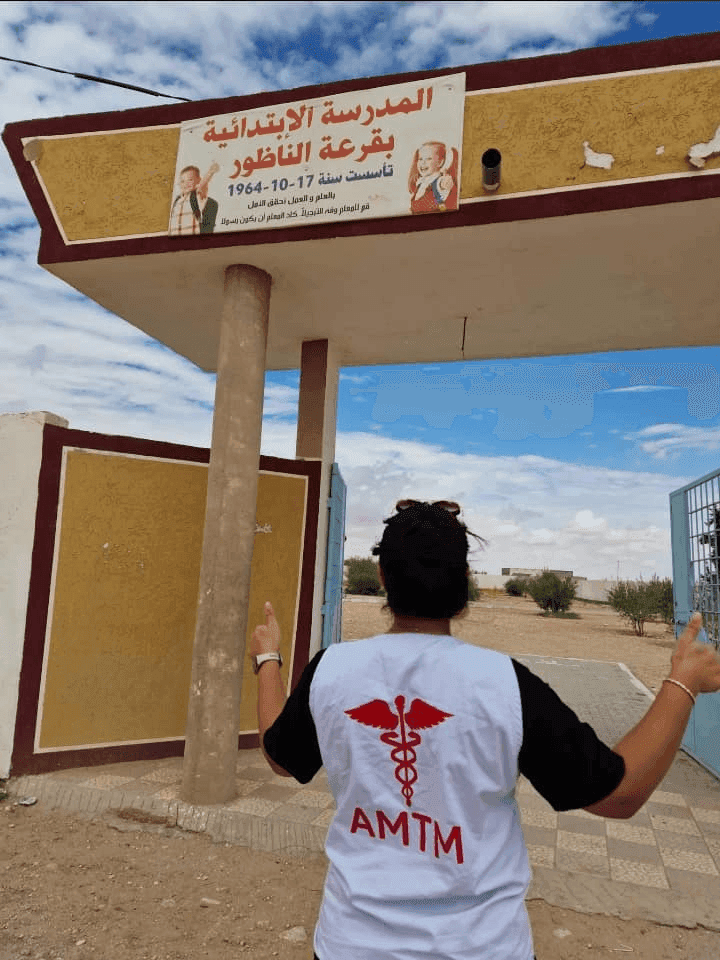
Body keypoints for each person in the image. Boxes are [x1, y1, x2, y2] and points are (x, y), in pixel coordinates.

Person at [251, 499, 720, 960]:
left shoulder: (331, 671)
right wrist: (683, 683)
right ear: (466, 585)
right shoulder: (505, 685)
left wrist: (268, 659)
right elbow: (619, 792)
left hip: (350, 945)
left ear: (381, 579)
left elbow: (280, 759)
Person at [169, 162, 220, 235]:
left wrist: (210, 172)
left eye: (190, 180)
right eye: (183, 181)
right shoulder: (177, 201)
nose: (186, 184)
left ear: (198, 181)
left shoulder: (196, 197)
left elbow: (202, 185)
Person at [408, 142, 458, 213]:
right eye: (420, 159)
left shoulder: (438, 182)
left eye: (428, 159)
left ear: (440, 162)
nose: (423, 163)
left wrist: (444, 183)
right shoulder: (420, 183)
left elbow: (443, 184)